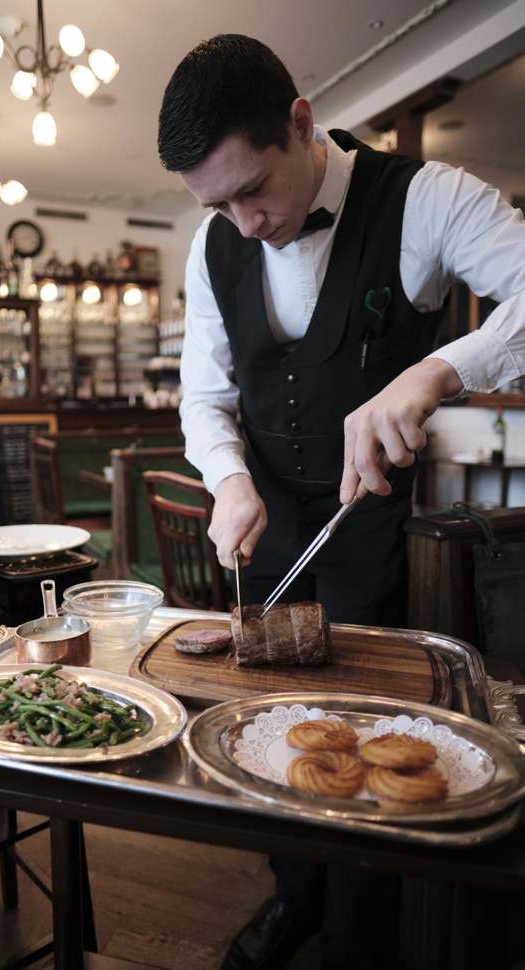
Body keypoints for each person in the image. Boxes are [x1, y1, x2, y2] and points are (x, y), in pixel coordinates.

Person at [158, 34, 525, 970]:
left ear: (299, 122)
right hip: (270, 531)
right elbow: (203, 393)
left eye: (252, 190)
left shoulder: (426, 199)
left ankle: (362, 937)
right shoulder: (215, 243)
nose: (242, 222)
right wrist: (229, 479)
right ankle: (295, 903)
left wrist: (441, 370)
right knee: (268, 730)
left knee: (364, 748)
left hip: (381, 537)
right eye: (217, 203)